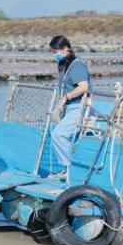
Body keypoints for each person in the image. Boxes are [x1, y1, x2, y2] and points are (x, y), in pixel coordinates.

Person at [49, 36, 90, 172]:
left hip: (78, 107)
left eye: (57, 51)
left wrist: (66, 97)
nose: (55, 54)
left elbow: (83, 87)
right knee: (59, 135)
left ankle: (69, 169)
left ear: (67, 48)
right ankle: (69, 169)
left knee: (58, 135)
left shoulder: (77, 65)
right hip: (68, 108)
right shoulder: (63, 65)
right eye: (53, 52)